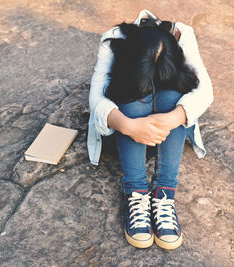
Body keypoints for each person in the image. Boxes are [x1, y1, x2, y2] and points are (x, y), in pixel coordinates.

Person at [87, 10, 213, 249]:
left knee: (177, 98)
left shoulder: (182, 35)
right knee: (131, 96)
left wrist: (171, 118)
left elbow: (205, 91)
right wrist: (129, 125)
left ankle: (165, 192)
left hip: (166, 136)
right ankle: (136, 192)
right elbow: (95, 98)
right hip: (123, 135)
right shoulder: (113, 39)